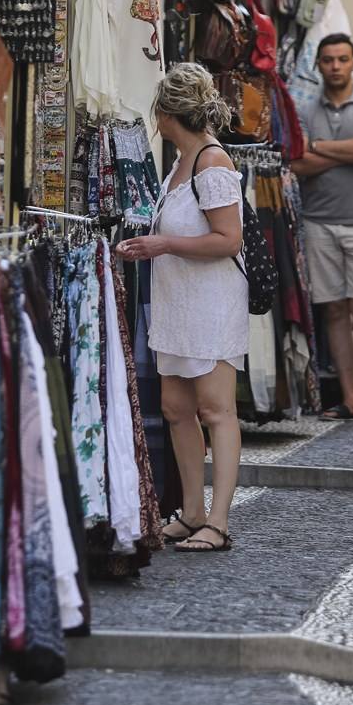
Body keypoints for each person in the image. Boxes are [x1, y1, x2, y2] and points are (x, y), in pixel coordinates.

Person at [116, 63, 248, 553]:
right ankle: (192, 511)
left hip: (211, 304)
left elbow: (227, 239)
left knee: (216, 410)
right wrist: (153, 245)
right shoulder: (179, 163)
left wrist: (163, 244)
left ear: (167, 114)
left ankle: (218, 521)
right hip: (177, 303)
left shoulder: (213, 164)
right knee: (176, 408)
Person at [292, 33, 353, 426]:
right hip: (318, 222)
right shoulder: (302, 110)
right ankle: (348, 397)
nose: (335, 66)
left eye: (342, 59)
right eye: (329, 60)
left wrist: (318, 148)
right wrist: (350, 153)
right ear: (318, 65)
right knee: (333, 311)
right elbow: (296, 165)